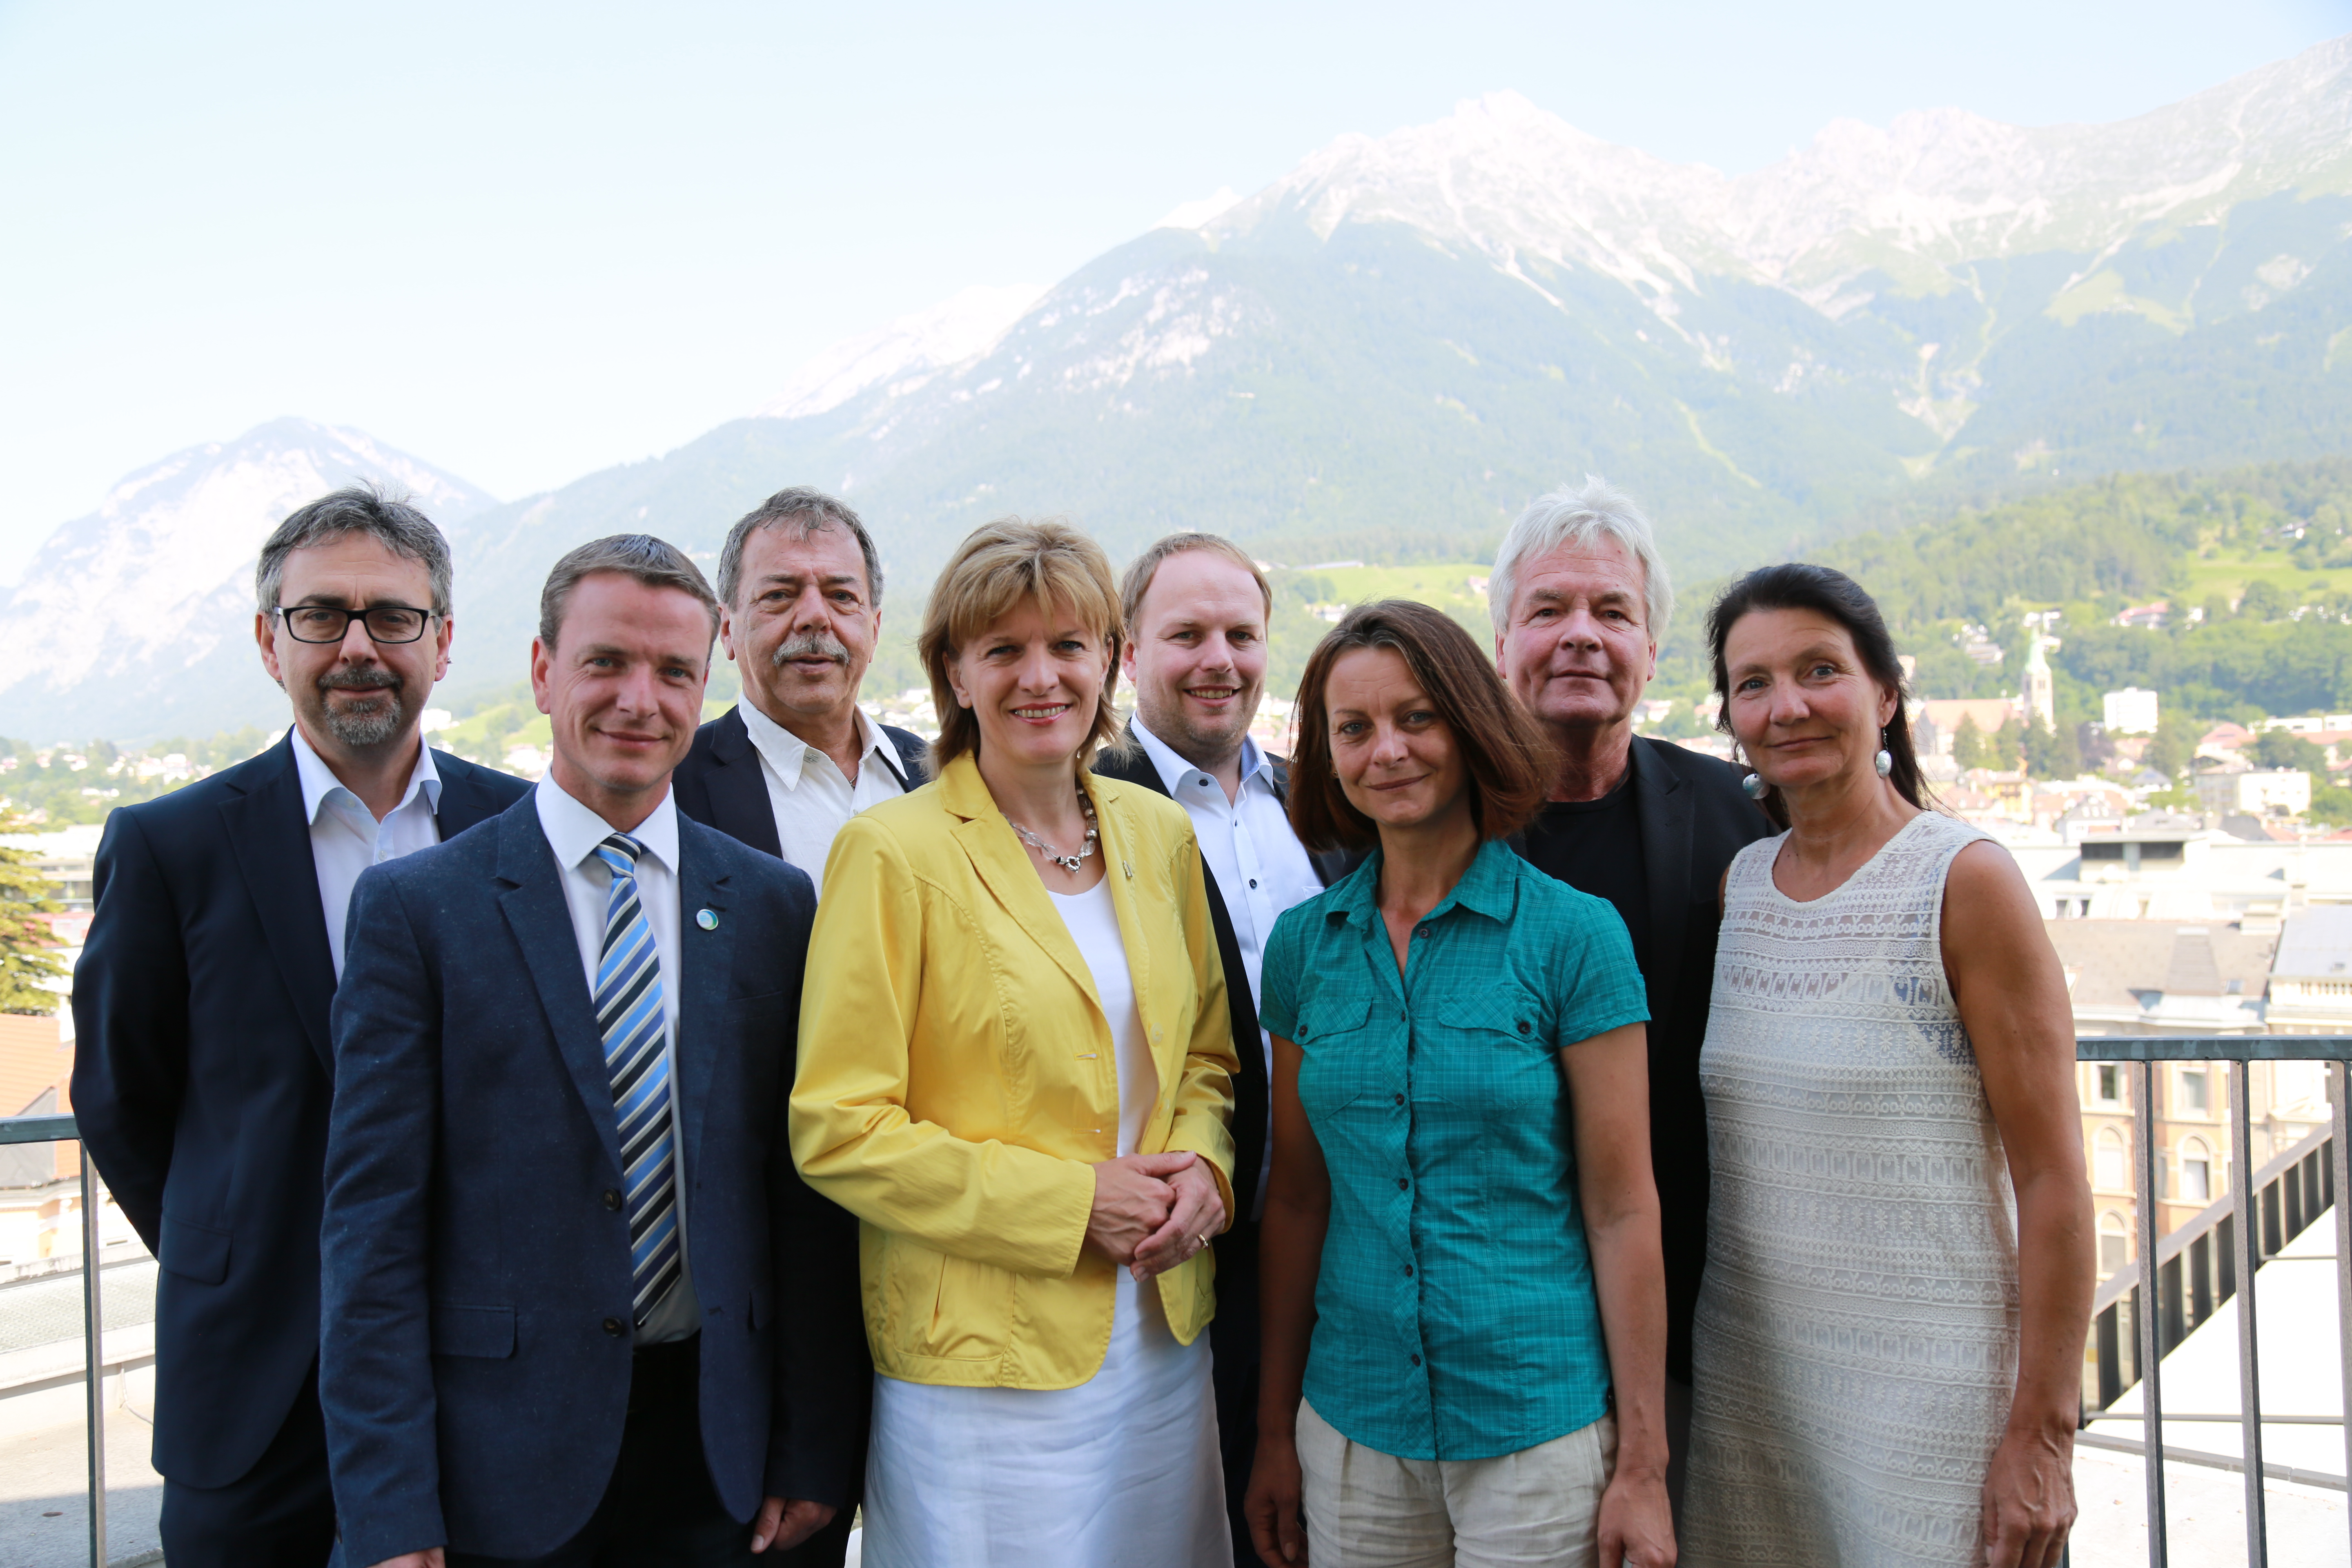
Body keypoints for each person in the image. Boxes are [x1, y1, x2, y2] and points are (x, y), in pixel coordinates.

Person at [319, 535, 867, 1568]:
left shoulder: (773, 904)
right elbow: (372, 1233)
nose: (639, 700)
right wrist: (390, 1510)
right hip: (497, 1468)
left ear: (704, 687)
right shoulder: (417, 910)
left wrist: (811, 1446)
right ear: (542, 672)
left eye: (673, 671)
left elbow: (801, 1205)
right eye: (605, 662)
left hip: (721, 1458)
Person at [69, 486, 528, 1568]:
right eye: (321, 615)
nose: (358, 646)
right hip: (251, 1376)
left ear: (443, 642)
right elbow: (121, 1098)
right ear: (270, 642)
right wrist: (231, 1246)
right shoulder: (170, 846)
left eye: (393, 616)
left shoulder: (523, 830)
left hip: (484, 1367)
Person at [791, 516, 1241, 1567]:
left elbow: (1208, 1059)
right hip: (980, 1375)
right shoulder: (889, 852)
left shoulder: (1158, 834)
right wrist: (1075, 1203)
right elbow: (838, 1129)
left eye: (1067, 645)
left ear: (1109, 661)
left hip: (1161, 1341)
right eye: (1003, 649)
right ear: (954, 672)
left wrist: (1205, 1170)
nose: (1040, 677)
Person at [1245, 600, 1676, 1568]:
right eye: (1353, 729)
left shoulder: (1574, 935)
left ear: (1471, 725)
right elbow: (1300, 1200)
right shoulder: (1304, 947)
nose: (1386, 751)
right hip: (1352, 1431)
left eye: (1416, 718)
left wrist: (1643, 1465)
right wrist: (1273, 1432)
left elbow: (1621, 1209)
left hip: (1536, 1432)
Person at [1682, 563, 2093, 1568]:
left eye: (1819, 670)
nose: (1787, 706)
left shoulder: (1963, 881)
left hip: (1931, 1409)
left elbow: (2052, 1180)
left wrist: (2042, 1436)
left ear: (1885, 694)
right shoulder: (1740, 886)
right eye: (1752, 683)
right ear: (1731, 720)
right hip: (1756, 1395)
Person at [1489, 477, 1771, 1501]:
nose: (1580, 634)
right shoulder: (1427, 827)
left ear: (1650, 652)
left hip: (1705, 1303)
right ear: (1501, 644)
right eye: (1548, 610)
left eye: (1612, 611)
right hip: (1499, 1306)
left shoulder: (1740, 814)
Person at [1092, 531, 1352, 1566]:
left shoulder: (1326, 801)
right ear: (1129, 654)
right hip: (1172, 1253)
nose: (1219, 660)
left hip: (1339, 1242)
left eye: (1241, 635)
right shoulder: (1085, 806)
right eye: (1186, 634)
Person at [673, 488, 927, 891]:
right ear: (727, 629)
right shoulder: (671, 791)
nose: (814, 617)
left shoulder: (934, 774)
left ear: (875, 629)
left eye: (841, 597)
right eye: (779, 595)